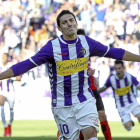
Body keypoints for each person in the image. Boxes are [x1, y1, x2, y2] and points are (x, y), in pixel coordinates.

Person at [0, 10, 140, 140]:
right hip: (62, 104)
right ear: (59, 28)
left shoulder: (86, 42)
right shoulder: (52, 47)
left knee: (91, 133)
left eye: (71, 20)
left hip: (84, 98)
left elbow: (115, 52)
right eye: (64, 22)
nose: (69, 24)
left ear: (76, 22)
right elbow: (25, 65)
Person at [98, 60, 140, 131]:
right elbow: (103, 88)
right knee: (128, 128)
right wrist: (94, 92)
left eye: (119, 68)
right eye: (116, 68)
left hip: (132, 103)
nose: (118, 70)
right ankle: (129, 122)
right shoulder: (111, 79)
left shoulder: (130, 77)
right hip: (121, 106)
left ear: (123, 68)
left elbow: (138, 86)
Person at [0, 53, 21, 136]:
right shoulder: (0, 67)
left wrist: (10, 77)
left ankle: (10, 125)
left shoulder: (11, 67)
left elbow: (19, 78)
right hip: (2, 92)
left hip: (10, 92)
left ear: (8, 58)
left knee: (11, 111)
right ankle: (5, 127)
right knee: (1, 108)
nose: (2, 59)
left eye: (4, 57)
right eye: (2, 57)